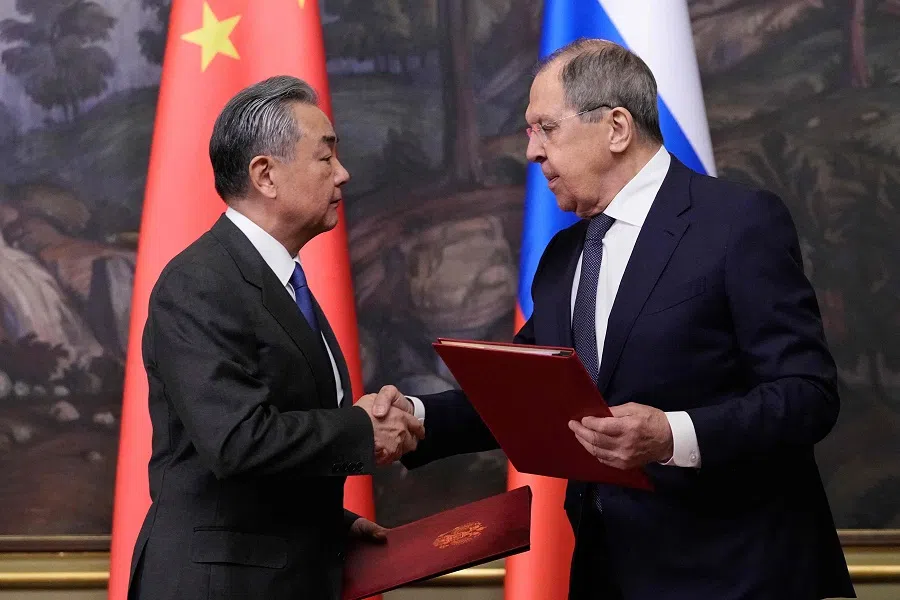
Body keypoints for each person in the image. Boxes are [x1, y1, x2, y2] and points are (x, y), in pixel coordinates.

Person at [376, 39, 855, 600]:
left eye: (545, 129)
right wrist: (415, 416)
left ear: (617, 128)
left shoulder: (738, 225)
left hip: (741, 574)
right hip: (609, 574)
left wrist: (670, 435)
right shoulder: (562, 259)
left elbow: (807, 395)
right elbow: (526, 395)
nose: (531, 152)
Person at [127, 75, 425, 600]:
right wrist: (361, 430)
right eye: (325, 158)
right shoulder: (200, 281)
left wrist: (327, 523)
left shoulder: (281, 282)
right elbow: (236, 442)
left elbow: (269, 450)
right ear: (265, 174)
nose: (344, 174)